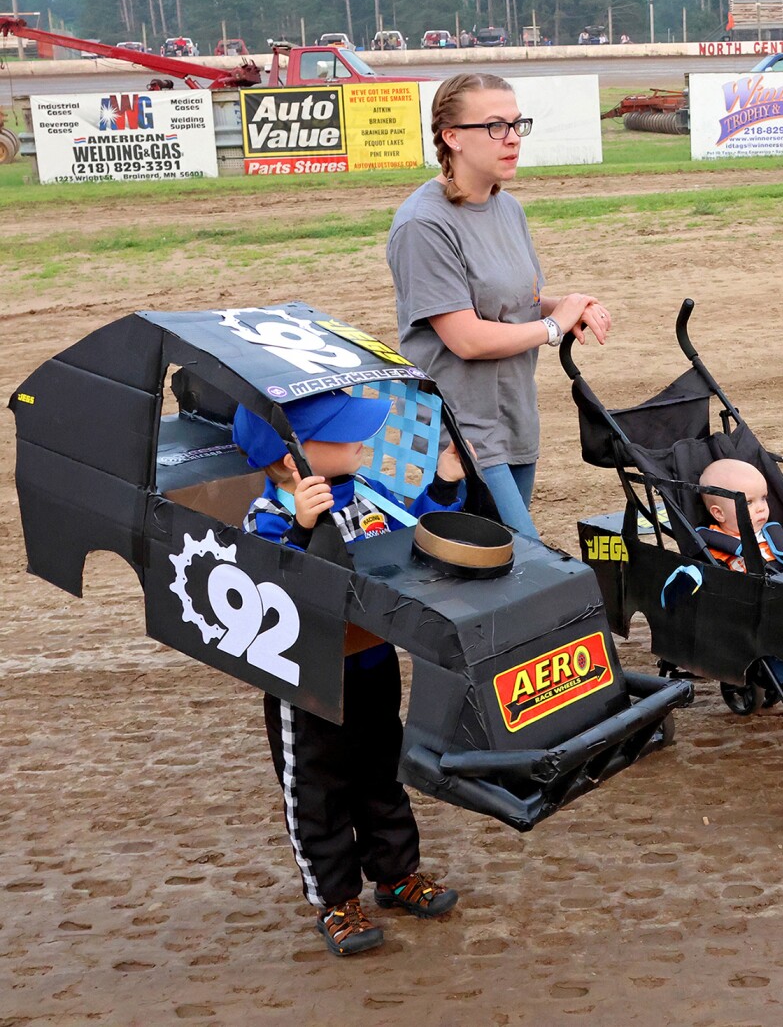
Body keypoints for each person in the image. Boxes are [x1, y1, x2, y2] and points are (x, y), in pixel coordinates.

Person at [232, 389, 466, 956]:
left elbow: (421, 534)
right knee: (316, 788)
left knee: (383, 769)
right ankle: (335, 901)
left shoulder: (363, 494)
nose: (362, 439)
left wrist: (445, 482)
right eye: (344, 432)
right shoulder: (265, 518)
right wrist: (302, 529)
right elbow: (265, 593)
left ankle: (395, 873)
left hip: (372, 661)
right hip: (304, 680)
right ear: (294, 458)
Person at [388, 73, 611, 537]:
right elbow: (466, 338)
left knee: (498, 570)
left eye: (516, 124)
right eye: (494, 126)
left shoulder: (508, 209)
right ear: (452, 138)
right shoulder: (423, 224)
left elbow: (519, 303)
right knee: (517, 558)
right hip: (462, 433)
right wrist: (553, 328)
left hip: (514, 417)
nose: (512, 138)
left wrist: (567, 306)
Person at [697, 458, 783, 573]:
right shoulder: (715, 543)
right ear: (719, 513)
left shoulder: (772, 535)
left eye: (764, 498)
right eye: (748, 502)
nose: (761, 508)